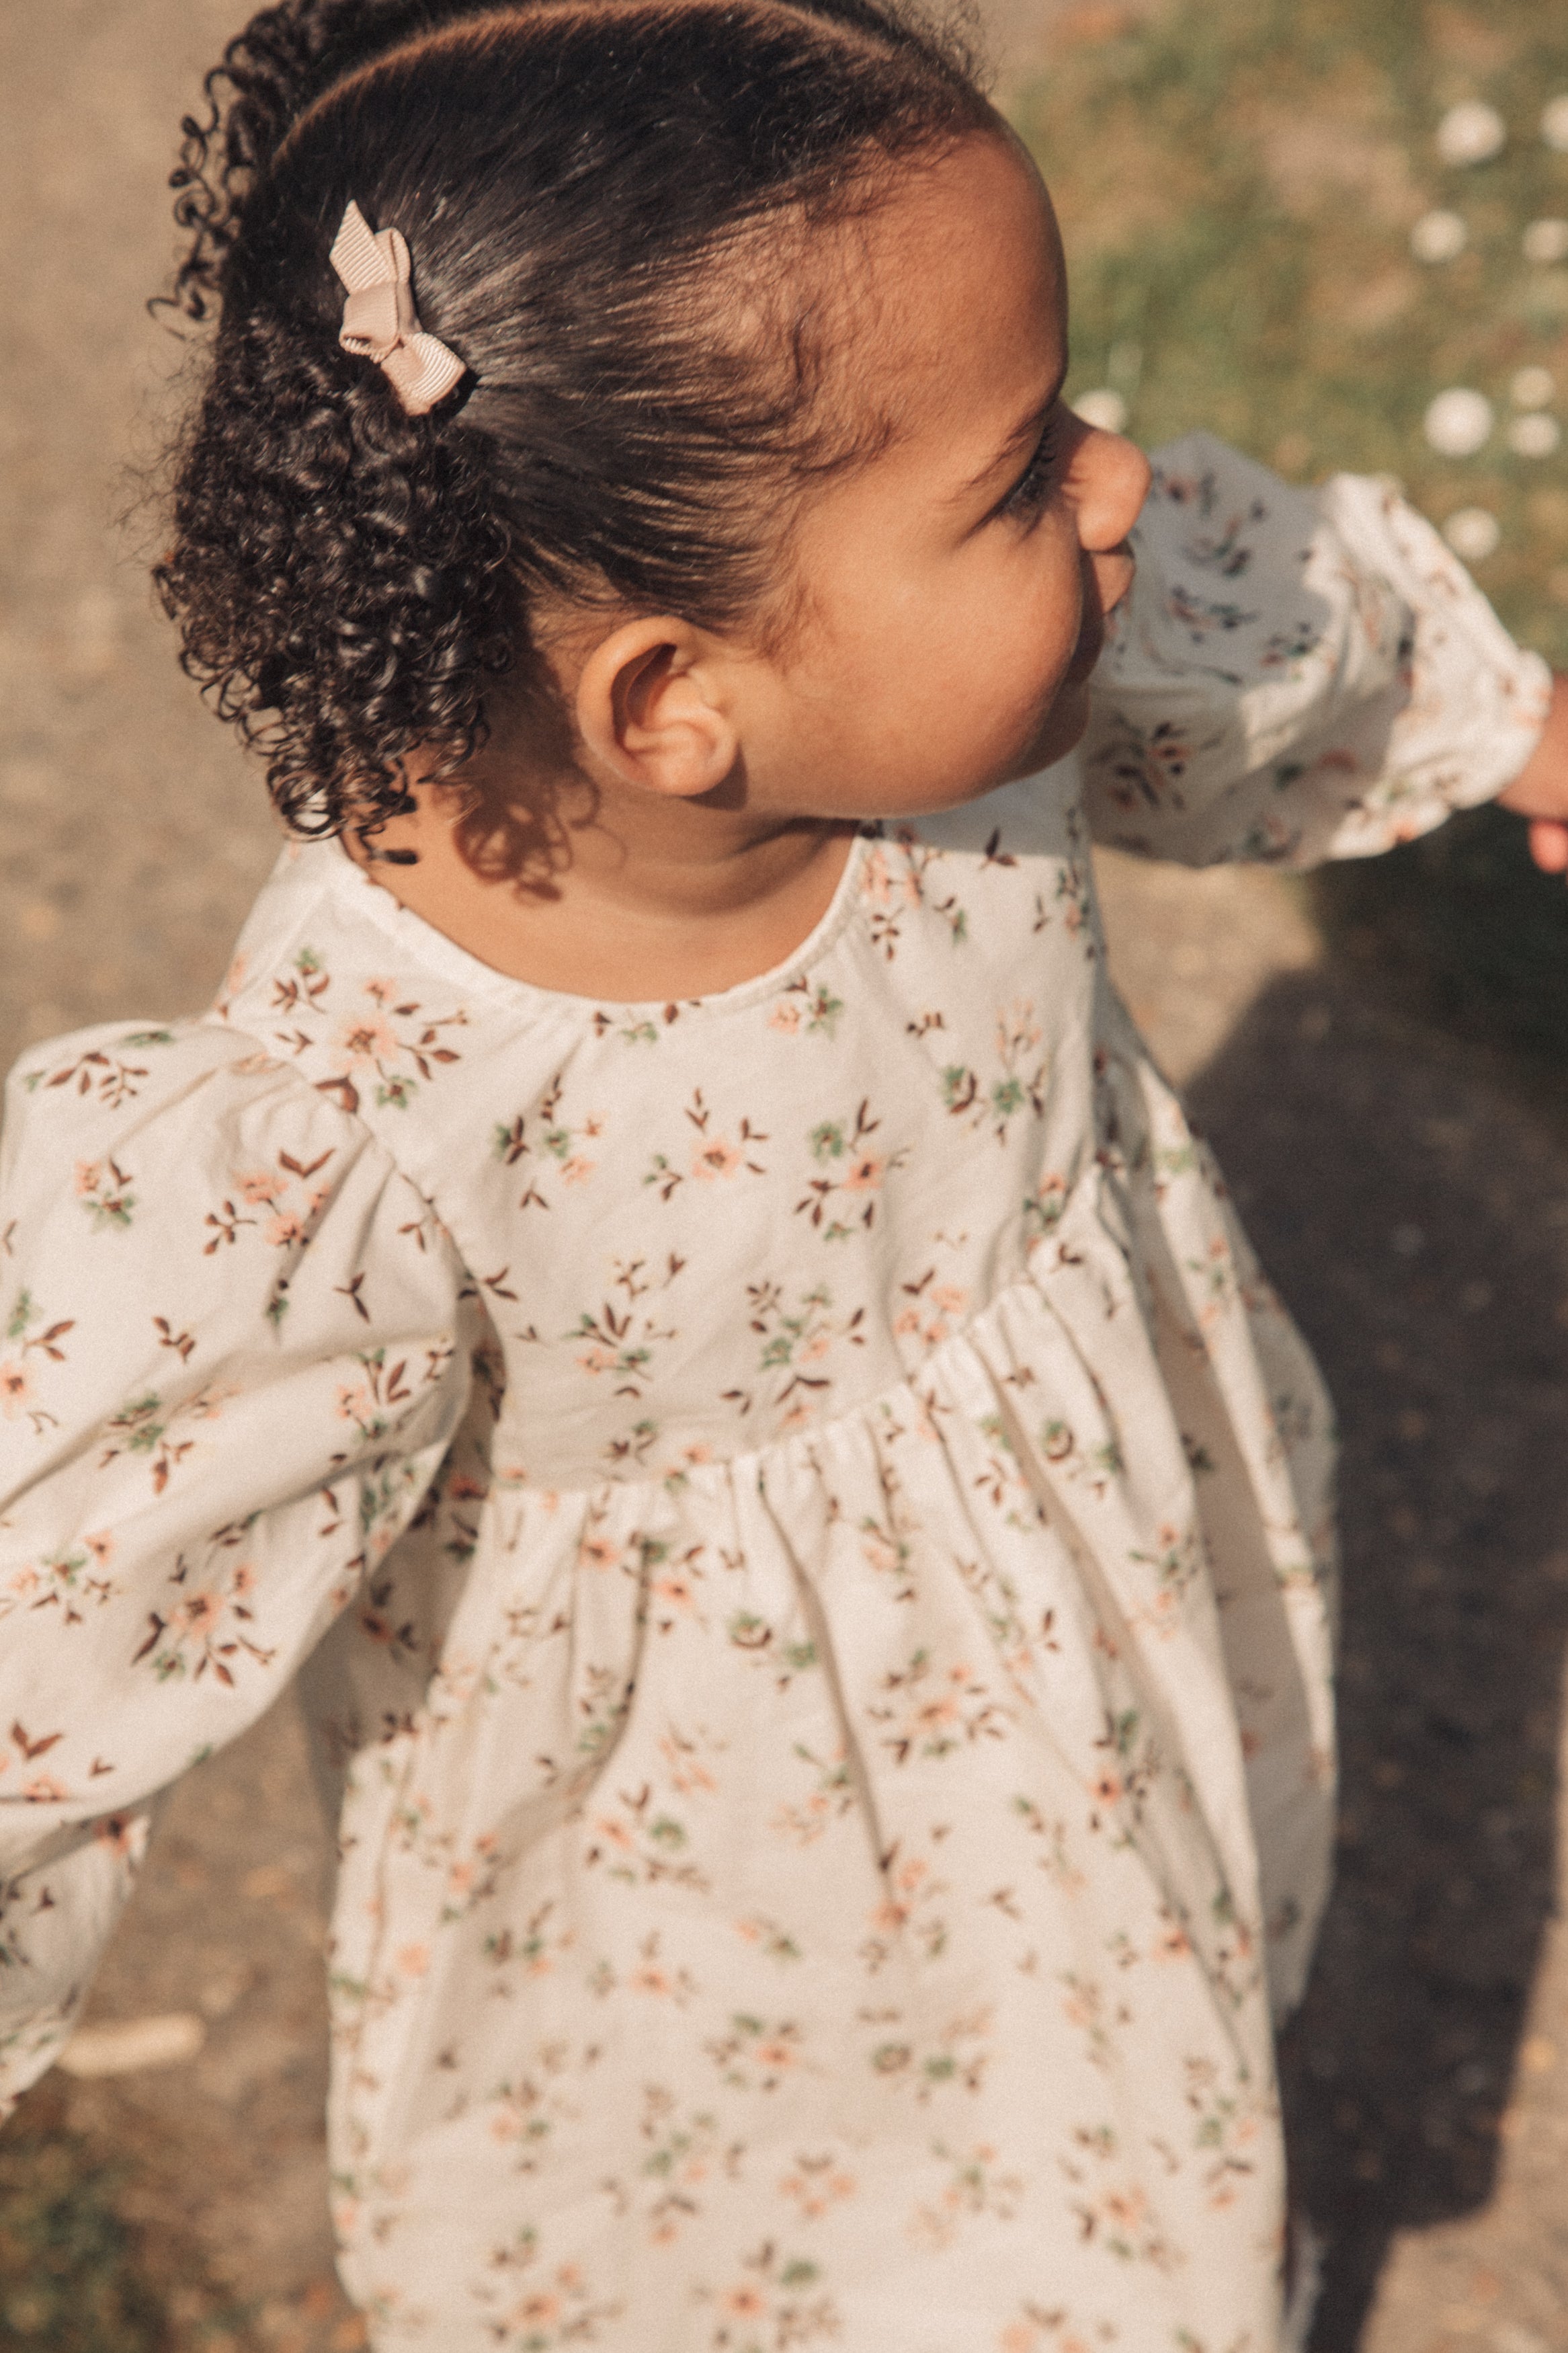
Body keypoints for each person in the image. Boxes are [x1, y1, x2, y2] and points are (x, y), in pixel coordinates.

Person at [3, 1, 1566, 2344]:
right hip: (699, 1954)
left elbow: (1243, 620)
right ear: (667, 703)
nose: (1121, 483)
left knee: (1134, 2063)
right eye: (1024, 470)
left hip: (1086, 1687)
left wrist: (1509, 716)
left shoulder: (950, 714)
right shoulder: (334, 1157)